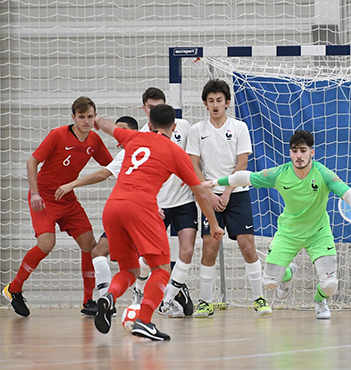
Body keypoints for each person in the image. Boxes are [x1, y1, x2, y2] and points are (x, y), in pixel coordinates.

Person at [203, 129, 351, 320]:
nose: (299, 156)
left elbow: (347, 192)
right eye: (295, 151)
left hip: (318, 234)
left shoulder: (323, 173)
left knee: (330, 285)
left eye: (303, 151)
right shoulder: (280, 173)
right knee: (270, 283)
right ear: (290, 153)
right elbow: (245, 177)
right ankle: (288, 274)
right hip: (288, 233)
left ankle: (319, 300)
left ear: (311, 153)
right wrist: (213, 182)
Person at [93, 104, 224, 341]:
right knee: (162, 269)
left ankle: (108, 296)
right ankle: (144, 321)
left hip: (112, 207)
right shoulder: (175, 152)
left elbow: (108, 127)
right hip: (141, 207)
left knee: (129, 270)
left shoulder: (134, 136)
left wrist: (97, 120)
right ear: (174, 128)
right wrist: (214, 224)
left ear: (150, 123)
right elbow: (202, 194)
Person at [2, 96, 113, 317]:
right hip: (43, 196)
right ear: (73, 117)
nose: (86, 121)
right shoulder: (58, 135)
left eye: (90, 117)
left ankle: (88, 301)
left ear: (95, 117)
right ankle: (13, 288)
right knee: (46, 243)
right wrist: (34, 193)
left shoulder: (94, 141)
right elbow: (32, 161)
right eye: (81, 117)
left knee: (89, 244)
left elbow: (111, 167)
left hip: (67, 198)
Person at [188, 79, 271, 318]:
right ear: (205, 104)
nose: (215, 105)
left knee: (247, 246)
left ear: (227, 103)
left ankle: (259, 299)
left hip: (237, 194)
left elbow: (242, 163)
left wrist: (226, 191)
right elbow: (193, 164)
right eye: (211, 101)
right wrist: (208, 194)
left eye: (219, 100)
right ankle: (205, 301)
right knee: (209, 247)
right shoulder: (197, 130)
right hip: (209, 196)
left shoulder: (239, 128)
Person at [53, 116, 139, 316]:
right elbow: (105, 172)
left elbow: (102, 174)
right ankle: (106, 302)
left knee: (143, 264)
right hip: (124, 214)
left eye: (122, 130)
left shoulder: (136, 151)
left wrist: (71, 184)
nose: (118, 134)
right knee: (98, 252)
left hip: (147, 215)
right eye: (116, 130)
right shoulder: (123, 154)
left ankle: (151, 298)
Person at [136, 87, 197, 318]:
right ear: (144, 109)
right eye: (151, 107)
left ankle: (169, 299)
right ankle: (139, 289)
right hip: (157, 204)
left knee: (187, 249)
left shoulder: (184, 126)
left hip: (183, 200)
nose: (155, 111)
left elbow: (192, 158)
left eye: (159, 106)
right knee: (148, 257)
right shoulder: (141, 136)